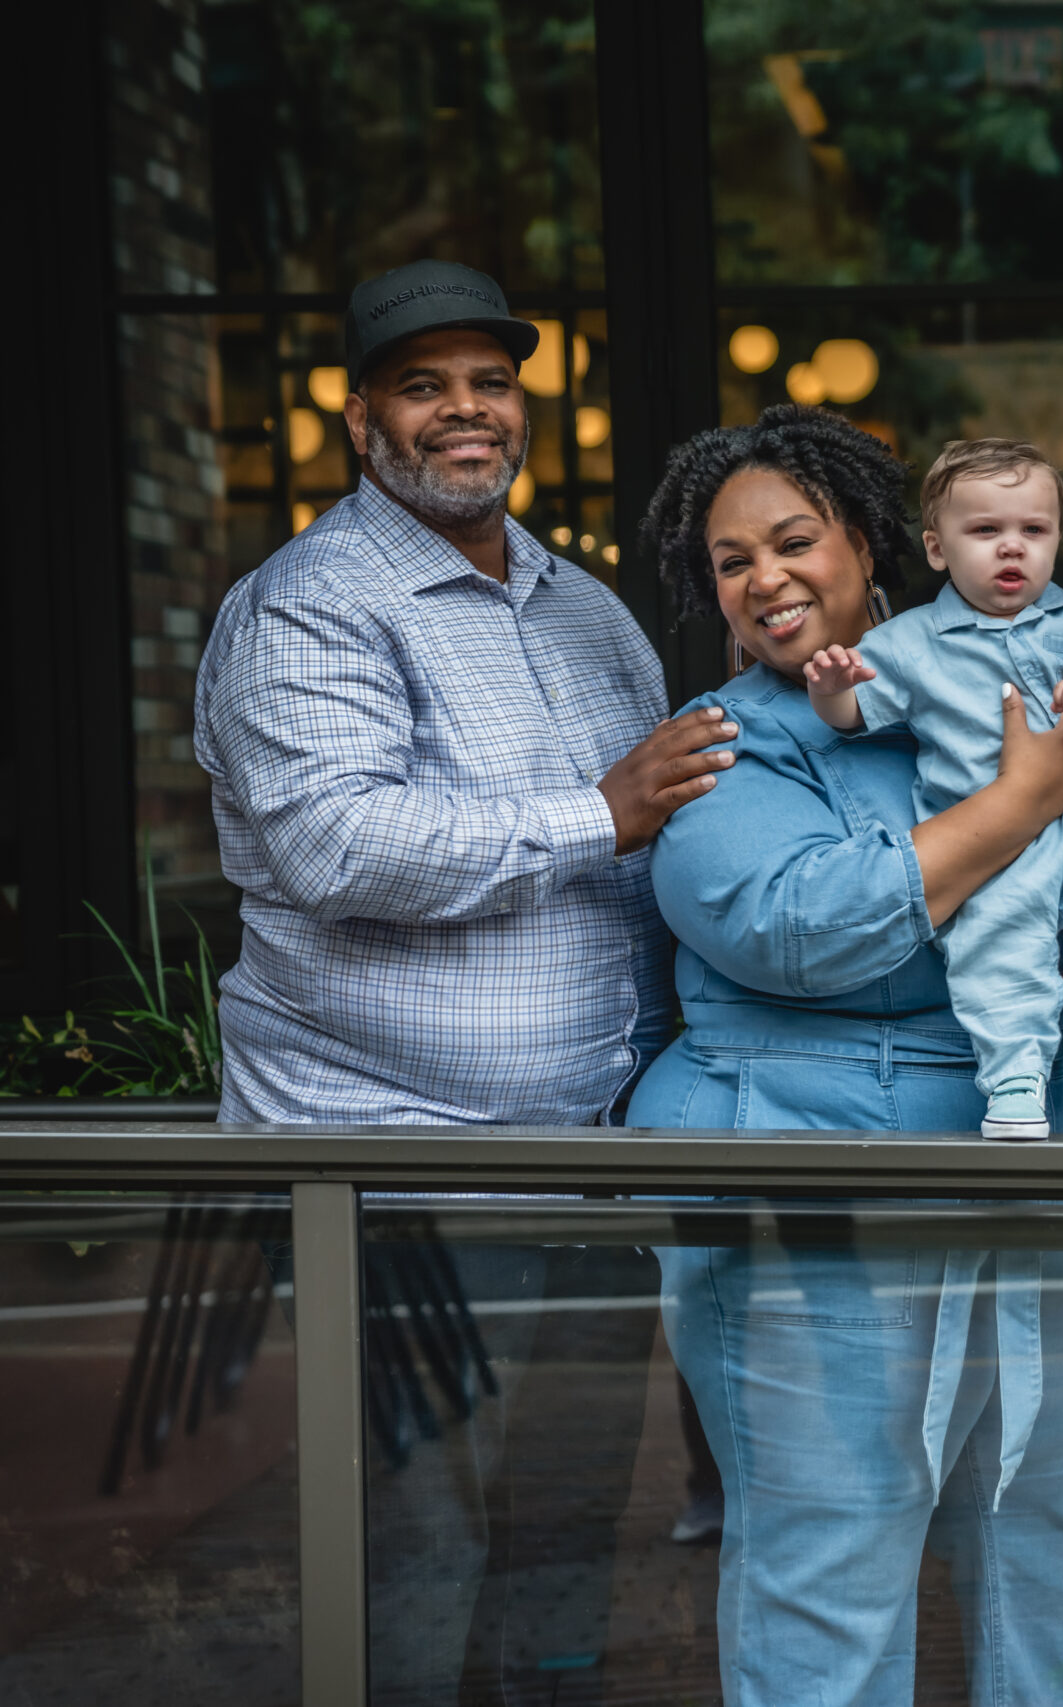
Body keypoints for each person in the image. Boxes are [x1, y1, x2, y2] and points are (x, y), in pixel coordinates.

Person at [192, 259, 726, 1702]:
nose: (464, 409)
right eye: (423, 384)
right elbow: (336, 843)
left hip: (588, 1166)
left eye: (488, 380)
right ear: (361, 417)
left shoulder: (585, 611)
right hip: (389, 1175)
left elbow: (663, 854)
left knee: (563, 1542)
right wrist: (596, 810)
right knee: (416, 1547)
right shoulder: (307, 605)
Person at [627, 405, 1063, 1707]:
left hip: (1036, 1163)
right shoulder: (725, 742)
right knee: (831, 1540)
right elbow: (795, 927)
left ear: (873, 544)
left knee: (1053, 1533)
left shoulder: (1021, 664)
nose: (767, 577)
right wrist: (1018, 808)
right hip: (807, 1175)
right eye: (732, 560)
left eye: (796, 540)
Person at [801, 438, 1063, 1138]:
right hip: (996, 841)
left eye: (1034, 531)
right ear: (938, 549)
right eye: (986, 531)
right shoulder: (912, 641)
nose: (1013, 548)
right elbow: (857, 714)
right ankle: (1013, 1078)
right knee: (992, 943)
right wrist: (829, 693)